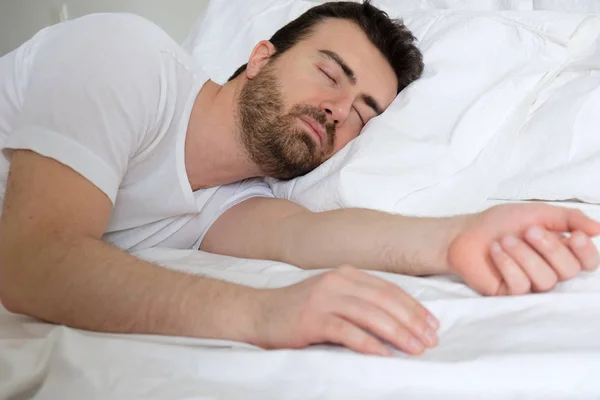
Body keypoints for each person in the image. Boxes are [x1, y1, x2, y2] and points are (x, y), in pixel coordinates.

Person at [0, 1, 598, 358]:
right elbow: (33, 261)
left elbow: (316, 236)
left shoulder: (234, 204)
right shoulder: (123, 58)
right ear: (260, 57)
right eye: (329, 73)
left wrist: (457, 235)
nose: (340, 109)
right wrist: (265, 314)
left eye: (363, 113)